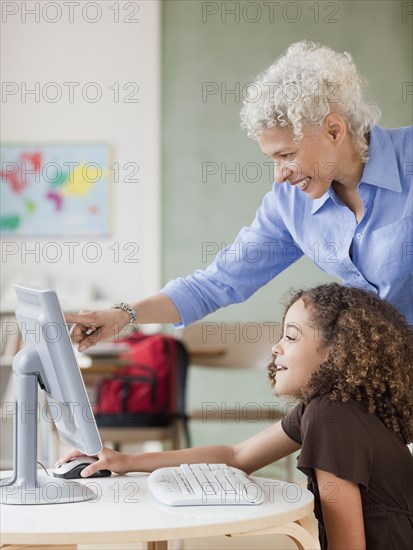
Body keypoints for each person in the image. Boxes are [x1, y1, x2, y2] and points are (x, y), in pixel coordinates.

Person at [66, 40, 412, 349]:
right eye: (272, 159)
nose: (280, 175)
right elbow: (217, 283)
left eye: (287, 154)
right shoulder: (289, 205)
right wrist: (124, 315)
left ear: (333, 130)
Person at [58, 283, 413, 550]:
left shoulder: (332, 416)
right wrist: (125, 460)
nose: (276, 348)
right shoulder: (328, 412)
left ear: (338, 351)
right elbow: (236, 457)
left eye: (291, 336)